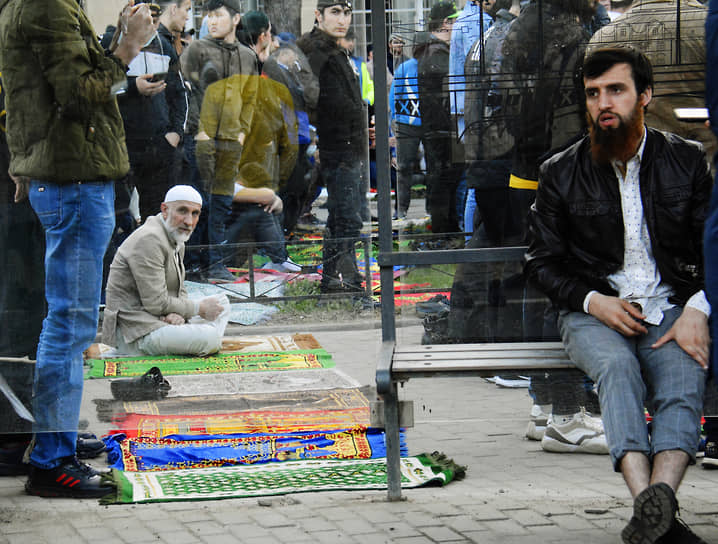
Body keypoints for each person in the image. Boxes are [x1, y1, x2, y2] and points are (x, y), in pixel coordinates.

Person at [525, 46, 710, 543]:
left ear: (644, 96)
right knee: (618, 369)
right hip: (591, 309)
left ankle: (659, 506)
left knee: (683, 377)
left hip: (672, 305)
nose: (603, 103)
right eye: (593, 93)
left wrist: (697, 306)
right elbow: (540, 262)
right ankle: (654, 512)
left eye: (616, 90)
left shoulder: (687, 161)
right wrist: (593, 301)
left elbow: (711, 245)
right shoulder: (560, 171)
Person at [0, 0, 155, 498]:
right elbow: (79, 91)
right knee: (70, 324)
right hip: (73, 180)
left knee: (66, 321)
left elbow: (29, 91)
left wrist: (25, 158)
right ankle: (51, 460)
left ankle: (55, 440)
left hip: (64, 175)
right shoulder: (45, 4)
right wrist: (129, 45)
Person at [180, 0, 259, 282]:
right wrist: (198, 129)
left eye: (218, 16)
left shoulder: (247, 56)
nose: (211, 22)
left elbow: (251, 97)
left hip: (231, 138)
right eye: (208, 16)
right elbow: (186, 93)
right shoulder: (197, 50)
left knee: (223, 202)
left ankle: (216, 262)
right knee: (201, 201)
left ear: (235, 19)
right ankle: (193, 262)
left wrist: (242, 131)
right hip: (202, 138)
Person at [103, 185, 230, 357]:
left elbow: (180, 288)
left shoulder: (175, 236)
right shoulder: (149, 239)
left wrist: (178, 313)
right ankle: (145, 348)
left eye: (195, 213)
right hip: (136, 332)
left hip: (158, 317)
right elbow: (155, 302)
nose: (189, 221)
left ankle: (182, 334)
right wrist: (197, 309)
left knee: (222, 302)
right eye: (182, 211)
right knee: (210, 338)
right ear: (164, 210)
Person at [298, 0, 368, 295]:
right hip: (337, 147)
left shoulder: (335, 49)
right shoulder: (317, 50)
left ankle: (333, 282)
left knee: (342, 218)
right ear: (319, 15)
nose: (342, 19)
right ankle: (348, 283)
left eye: (347, 13)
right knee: (348, 220)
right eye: (335, 13)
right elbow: (313, 100)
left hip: (348, 145)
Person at [416, 1, 462, 239]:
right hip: (442, 131)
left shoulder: (432, 51)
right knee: (444, 183)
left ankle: (446, 231)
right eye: (456, 22)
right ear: (447, 23)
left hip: (439, 130)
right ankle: (446, 234)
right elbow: (447, 95)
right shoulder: (437, 54)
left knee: (443, 182)